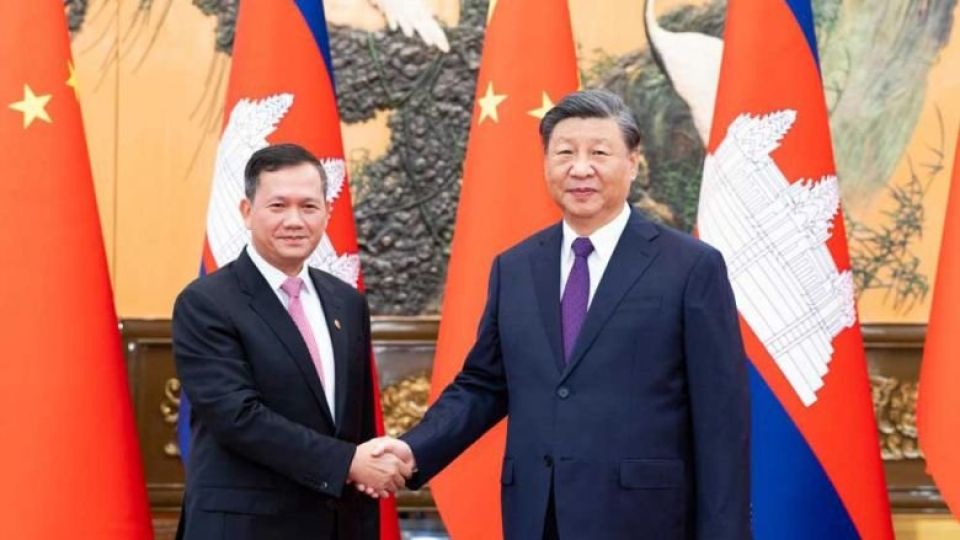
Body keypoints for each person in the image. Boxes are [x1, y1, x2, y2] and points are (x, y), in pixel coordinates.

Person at [370, 89, 751, 539]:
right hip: (539, 516)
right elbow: (484, 385)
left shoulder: (690, 266)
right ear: (546, 164)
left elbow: (722, 421)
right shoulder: (515, 267)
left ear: (632, 161)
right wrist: (413, 450)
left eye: (599, 152)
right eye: (565, 152)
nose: (580, 168)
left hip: (646, 519)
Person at [172, 143, 409, 540]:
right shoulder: (206, 302)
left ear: (328, 213)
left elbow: (358, 424)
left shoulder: (345, 302)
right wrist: (348, 462)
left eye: (309, 206)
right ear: (247, 213)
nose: (295, 221)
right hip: (245, 528)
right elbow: (238, 418)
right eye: (278, 206)